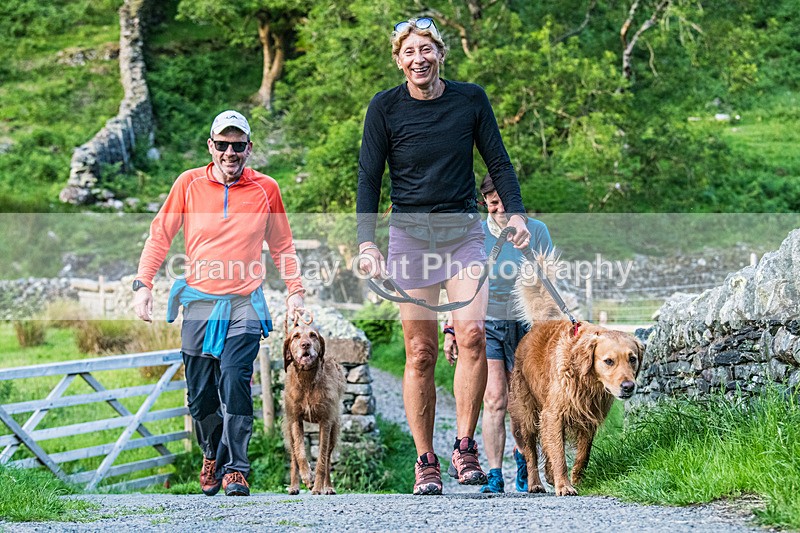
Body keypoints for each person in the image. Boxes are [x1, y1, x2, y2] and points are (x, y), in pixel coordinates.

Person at [356, 17, 531, 495]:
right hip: (410, 239)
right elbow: (369, 178)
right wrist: (366, 241)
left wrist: (514, 215)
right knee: (420, 351)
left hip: (462, 235)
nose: (419, 59)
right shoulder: (384, 108)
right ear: (398, 59)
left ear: (440, 54)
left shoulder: (470, 100)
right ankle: (425, 459)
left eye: (426, 50)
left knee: (472, 335)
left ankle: (464, 446)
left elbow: (498, 162)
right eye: (410, 52)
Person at [132, 110, 306, 497]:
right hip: (199, 303)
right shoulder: (188, 184)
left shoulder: (266, 188)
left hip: (244, 302)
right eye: (222, 145)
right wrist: (143, 283)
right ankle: (212, 452)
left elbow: (282, 244)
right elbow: (160, 235)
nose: (230, 153)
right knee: (201, 395)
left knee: (234, 379)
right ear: (211, 146)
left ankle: (236, 469)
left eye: (238, 146)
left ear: (249, 148)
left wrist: (295, 289)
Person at [443, 173, 553, 494]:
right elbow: (459, 289)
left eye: (505, 202)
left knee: (523, 400)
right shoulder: (474, 235)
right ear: (484, 203)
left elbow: (549, 282)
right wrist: (451, 329)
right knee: (494, 399)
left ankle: (525, 461)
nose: (500, 210)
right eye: (492, 204)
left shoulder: (537, 231)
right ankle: (494, 472)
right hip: (486, 320)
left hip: (525, 322)